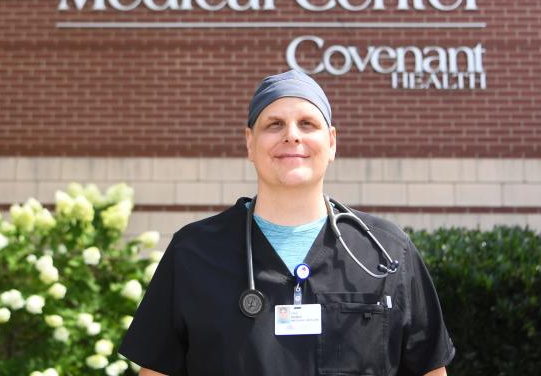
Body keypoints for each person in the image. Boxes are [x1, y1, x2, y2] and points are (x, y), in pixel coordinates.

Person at [120, 70, 455, 375]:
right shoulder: (193, 252)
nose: (292, 136)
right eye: (274, 124)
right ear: (250, 143)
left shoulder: (386, 251)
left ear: (332, 142)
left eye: (307, 124)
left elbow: (429, 369)